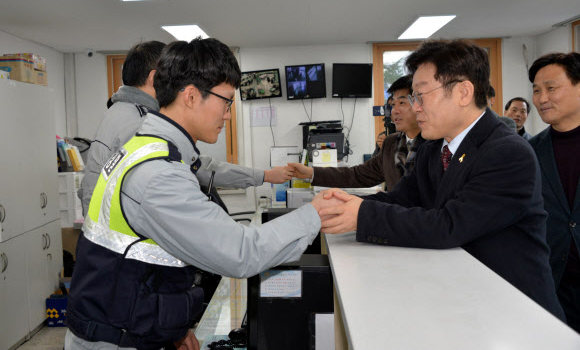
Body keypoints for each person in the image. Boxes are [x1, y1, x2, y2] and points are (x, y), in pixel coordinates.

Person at [65, 38, 341, 350]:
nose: (227, 115)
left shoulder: (144, 148)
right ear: (192, 96)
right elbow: (241, 253)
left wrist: (172, 330)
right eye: (226, 102)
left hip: (127, 327)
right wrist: (315, 212)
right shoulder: (159, 174)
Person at [316, 39, 565, 321]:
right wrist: (342, 205)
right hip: (463, 299)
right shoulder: (434, 148)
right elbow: (399, 200)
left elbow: (449, 225)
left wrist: (360, 215)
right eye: (413, 97)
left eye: (420, 96)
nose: (415, 107)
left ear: (463, 92)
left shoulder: (507, 153)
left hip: (515, 311)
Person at [78, 40, 293, 217]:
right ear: (156, 78)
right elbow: (198, 168)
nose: (226, 115)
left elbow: (195, 165)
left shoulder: (121, 112)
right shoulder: (139, 125)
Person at [289, 75, 424, 191]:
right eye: (393, 104)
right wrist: (311, 172)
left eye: (402, 103)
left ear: (418, 104)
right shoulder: (390, 144)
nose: (395, 110)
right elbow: (356, 175)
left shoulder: (436, 145)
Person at [528, 52, 580, 333]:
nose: (541, 98)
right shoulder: (529, 152)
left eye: (551, 88)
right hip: (553, 283)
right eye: (536, 90)